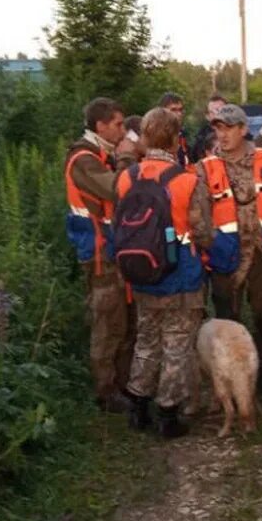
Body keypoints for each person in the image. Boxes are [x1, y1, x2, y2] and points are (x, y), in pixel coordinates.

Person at [116, 108, 214, 438]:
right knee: (177, 344)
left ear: (144, 137)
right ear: (175, 139)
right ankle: (168, 414)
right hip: (180, 276)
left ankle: (138, 407)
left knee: (146, 339)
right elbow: (203, 232)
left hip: (141, 273)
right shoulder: (187, 180)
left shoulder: (127, 177)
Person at [196, 104, 262, 397]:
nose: (222, 134)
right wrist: (208, 245)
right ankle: (231, 377)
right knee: (227, 318)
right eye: (217, 128)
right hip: (225, 253)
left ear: (243, 129)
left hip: (261, 252)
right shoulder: (205, 168)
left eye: (228, 127)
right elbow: (197, 211)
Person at [64, 97, 137, 413]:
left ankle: (123, 384)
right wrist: (125, 160)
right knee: (107, 323)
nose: (123, 131)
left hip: (114, 251)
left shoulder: (100, 155)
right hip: (98, 255)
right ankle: (105, 392)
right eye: (119, 124)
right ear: (101, 126)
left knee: (122, 321)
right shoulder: (84, 159)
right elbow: (115, 189)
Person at [191, 94, 227, 164]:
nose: (218, 114)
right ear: (208, 116)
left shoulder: (237, 132)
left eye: (221, 110)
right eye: (214, 111)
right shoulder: (201, 138)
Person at [159, 92, 191, 167]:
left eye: (180, 110)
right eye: (173, 110)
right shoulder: (158, 137)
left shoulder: (182, 135)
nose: (179, 114)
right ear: (162, 112)